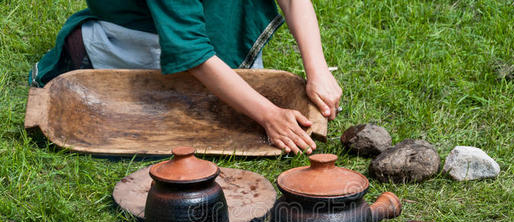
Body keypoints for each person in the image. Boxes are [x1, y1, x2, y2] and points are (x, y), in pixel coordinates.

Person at [29, 0, 342, 155]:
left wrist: (317, 70)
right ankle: (87, 49)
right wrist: (269, 115)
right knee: (189, 82)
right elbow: (190, 50)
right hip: (136, 29)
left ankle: (227, 58)